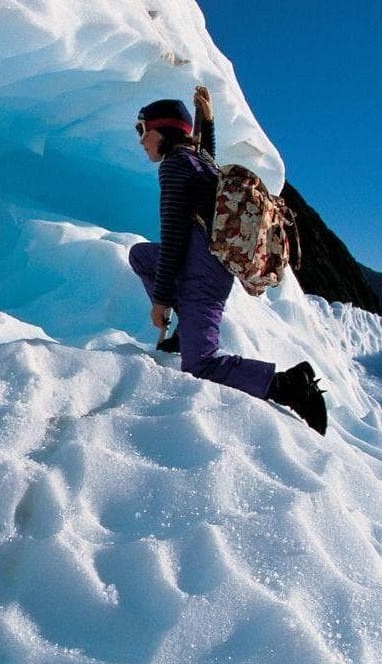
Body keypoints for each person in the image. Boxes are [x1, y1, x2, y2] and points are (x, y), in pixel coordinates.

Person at [127, 88, 328, 434]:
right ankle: (183, 333)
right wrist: (207, 120)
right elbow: (207, 154)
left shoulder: (175, 166)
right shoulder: (197, 161)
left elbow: (174, 236)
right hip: (205, 261)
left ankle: (289, 386)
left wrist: (161, 301)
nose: (142, 140)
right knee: (141, 255)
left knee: (201, 364)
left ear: (162, 131)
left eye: (143, 130)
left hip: (202, 272)